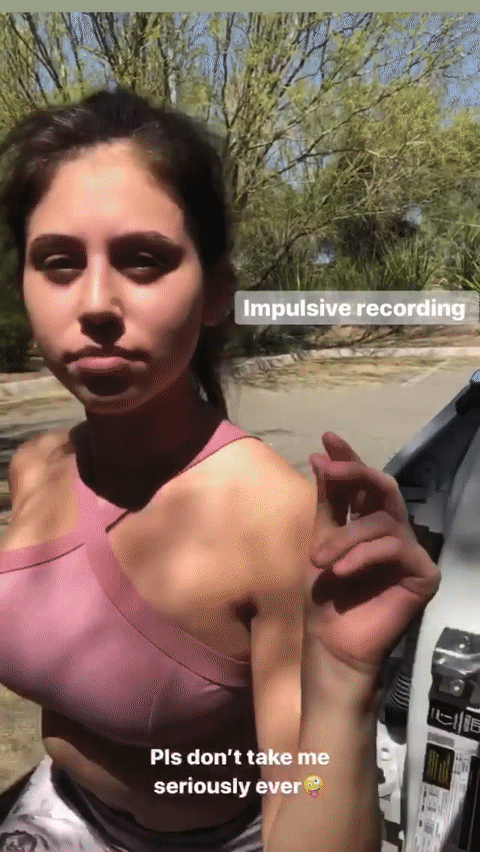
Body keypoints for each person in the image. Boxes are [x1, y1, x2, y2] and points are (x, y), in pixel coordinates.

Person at [0, 86, 440, 852]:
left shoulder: (274, 520)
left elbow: (300, 796)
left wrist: (344, 685)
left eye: (144, 260)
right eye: (59, 263)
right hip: (57, 813)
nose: (96, 302)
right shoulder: (37, 467)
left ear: (217, 294)